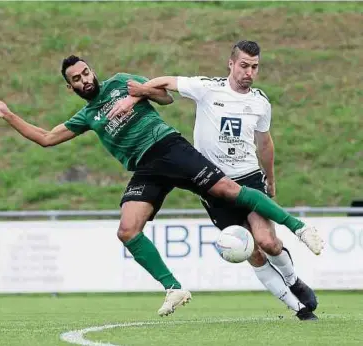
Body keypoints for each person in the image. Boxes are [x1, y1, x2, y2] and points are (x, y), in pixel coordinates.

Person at [0, 55, 323, 318]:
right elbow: (45, 138)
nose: (85, 79)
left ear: (92, 71)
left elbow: (165, 98)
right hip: (146, 169)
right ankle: (173, 288)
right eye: (76, 79)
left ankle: (298, 227)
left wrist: (138, 94)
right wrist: (9, 114)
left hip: (168, 147)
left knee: (228, 191)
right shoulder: (87, 116)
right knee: (127, 230)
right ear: (69, 87)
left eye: (86, 72)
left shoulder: (119, 82)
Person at [109, 41, 323, 320]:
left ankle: (294, 280)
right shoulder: (207, 88)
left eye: (254, 67)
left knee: (267, 242)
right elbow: (167, 82)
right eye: (244, 65)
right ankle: (298, 309)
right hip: (212, 182)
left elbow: (265, 143)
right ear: (231, 64)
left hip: (248, 178)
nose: (249, 72)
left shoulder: (260, 102)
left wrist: (270, 178)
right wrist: (137, 95)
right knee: (253, 253)